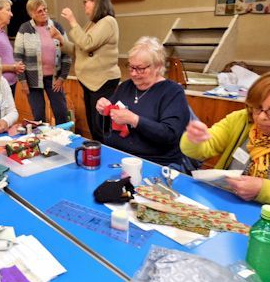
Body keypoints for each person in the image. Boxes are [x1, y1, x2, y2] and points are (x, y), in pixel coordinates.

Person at [96, 36, 190, 166]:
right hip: (117, 156)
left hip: (154, 162)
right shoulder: (125, 87)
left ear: (157, 66)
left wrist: (135, 120)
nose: (133, 73)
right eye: (131, 67)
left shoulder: (172, 92)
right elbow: (104, 128)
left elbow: (170, 135)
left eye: (140, 68)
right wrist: (102, 110)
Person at [180, 72, 270, 203]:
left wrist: (262, 190)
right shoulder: (241, 119)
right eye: (258, 108)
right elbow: (204, 148)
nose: (261, 117)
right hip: (227, 199)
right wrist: (193, 139)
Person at [51, 0, 121, 142]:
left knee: (100, 126)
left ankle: (106, 155)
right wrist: (61, 40)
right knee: (93, 125)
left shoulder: (108, 22)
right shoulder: (92, 24)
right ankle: (97, 153)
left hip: (102, 81)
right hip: (90, 82)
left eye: (86, 1)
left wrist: (72, 21)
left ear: (97, 1)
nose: (84, 5)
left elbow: (87, 43)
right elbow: (78, 49)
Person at [14, 0, 72, 124]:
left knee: (61, 112)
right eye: (40, 11)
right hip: (32, 80)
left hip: (54, 79)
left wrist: (62, 77)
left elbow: (67, 52)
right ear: (32, 13)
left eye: (45, 9)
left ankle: (64, 140)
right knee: (39, 115)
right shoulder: (25, 29)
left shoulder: (56, 26)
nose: (44, 12)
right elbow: (18, 58)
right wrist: (23, 81)